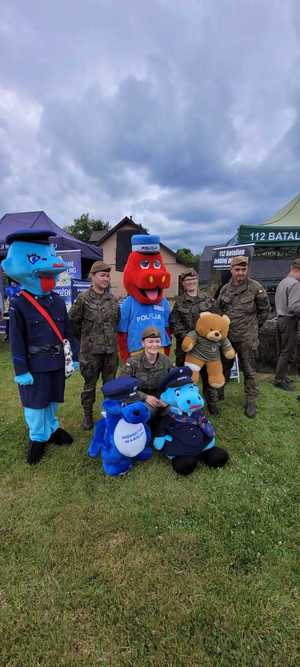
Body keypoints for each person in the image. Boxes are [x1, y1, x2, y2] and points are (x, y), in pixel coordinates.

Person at [217, 255, 270, 418]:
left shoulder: (256, 288)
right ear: (231, 270)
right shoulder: (225, 289)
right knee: (224, 366)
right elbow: (219, 309)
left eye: (243, 269)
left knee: (249, 371)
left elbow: (264, 311)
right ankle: (219, 392)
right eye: (237, 269)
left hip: (247, 338)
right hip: (229, 337)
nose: (240, 273)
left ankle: (251, 401)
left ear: (247, 269)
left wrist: (253, 328)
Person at [69, 261, 120, 430]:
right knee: (89, 386)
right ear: (93, 277)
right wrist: (87, 339)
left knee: (111, 386)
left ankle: (109, 415)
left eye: (108, 275)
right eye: (102, 275)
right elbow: (73, 323)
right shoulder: (83, 299)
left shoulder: (112, 299)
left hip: (110, 351)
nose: (106, 278)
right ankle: (87, 415)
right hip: (90, 353)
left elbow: (116, 322)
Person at [169, 268, 219, 414]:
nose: (190, 282)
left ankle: (212, 404)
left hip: (206, 347)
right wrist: (190, 340)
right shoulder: (179, 302)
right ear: (183, 284)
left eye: (193, 279)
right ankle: (187, 403)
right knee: (186, 378)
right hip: (186, 347)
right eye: (187, 280)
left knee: (208, 376)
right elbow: (175, 324)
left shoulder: (208, 299)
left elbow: (217, 321)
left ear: (197, 281)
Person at [118, 325, 173, 417]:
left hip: (161, 398)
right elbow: (123, 386)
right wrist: (145, 397)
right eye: (150, 342)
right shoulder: (133, 362)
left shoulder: (166, 361)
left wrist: (167, 398)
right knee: (145, 412)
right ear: (143, 343)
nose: (154, 345)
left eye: (157, 341)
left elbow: (174, 382)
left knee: (174, 410)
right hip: (140, 399)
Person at [273, 257, 300, 390]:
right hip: (289, 320)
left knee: (283, 351)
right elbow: (294, 307)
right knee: (287, 352)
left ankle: (282, 376)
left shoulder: (284, 281)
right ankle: (279, 380)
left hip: (280, 319)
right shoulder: (295, 284)